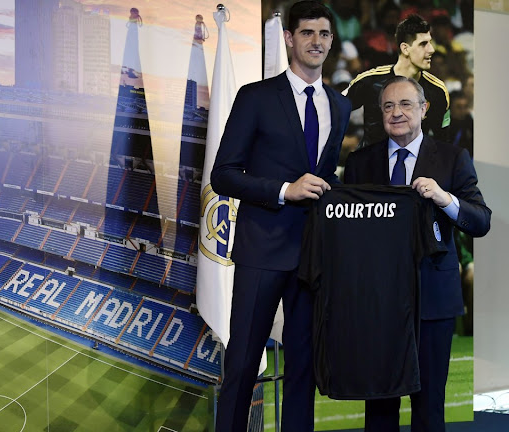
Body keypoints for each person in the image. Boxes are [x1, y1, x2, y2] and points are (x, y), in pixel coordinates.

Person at [210, 1, 351, 430]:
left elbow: (325, 179)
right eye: (307, 32)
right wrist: (283, 191)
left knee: (303, 367)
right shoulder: (256, 97)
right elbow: (223, 175)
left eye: (324, 34)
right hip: (262, 249)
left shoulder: (339, 106)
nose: (317, 41)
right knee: (242, 363)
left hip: (312, 256)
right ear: (289, 38)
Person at [343, 76, 491, 432]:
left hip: (434, 303)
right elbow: (346, 233)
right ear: (380, 114)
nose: (397, 113)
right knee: (378, 409)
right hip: (377, 304)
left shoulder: (454, 159)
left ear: (424, 110)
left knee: (429, 410)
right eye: (388, 106)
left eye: (406, 104)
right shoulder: (360, 163)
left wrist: (445, 198)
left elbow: (481, 221)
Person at [344, 14, 450, 147]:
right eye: (423, 44)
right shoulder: (370, 81)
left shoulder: (438, 90)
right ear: (405, 48)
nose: (431, 49)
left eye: (430, 43)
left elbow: (442, 142)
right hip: (371, 165)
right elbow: (333, 109)